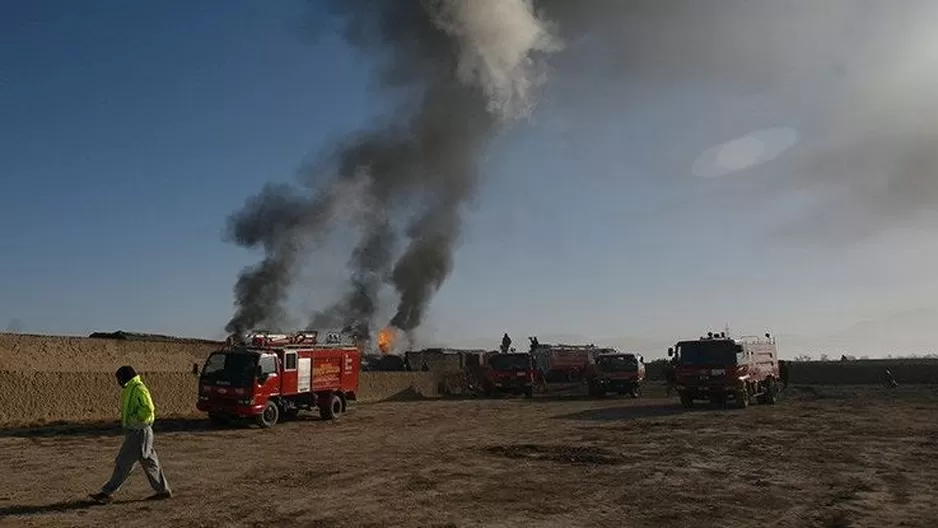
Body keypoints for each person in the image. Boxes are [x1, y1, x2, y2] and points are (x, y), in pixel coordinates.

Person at [89, 366, 172, 504]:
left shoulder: (138, 388)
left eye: (119, 379)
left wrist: (135, 419)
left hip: (138, 433)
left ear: (124, 377)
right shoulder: (132, 388)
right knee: (150, 463)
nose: (118, 382)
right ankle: (163, 491)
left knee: (123, 462)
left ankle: (107, 493)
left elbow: (148, 409)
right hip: (140, 433)